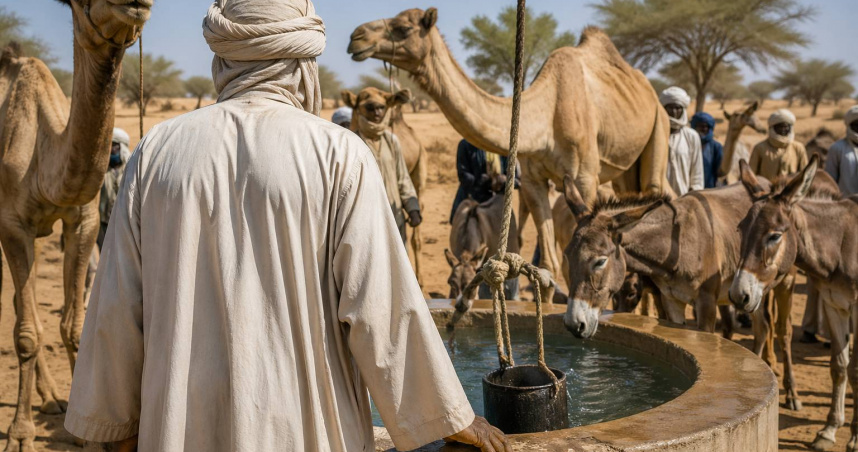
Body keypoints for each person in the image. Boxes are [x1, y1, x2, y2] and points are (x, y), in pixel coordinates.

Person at [64, 1, 508, 451]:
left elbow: (117, 312)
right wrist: (450, 416)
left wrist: (119, 429)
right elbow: (383, 312)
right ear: (303, 64)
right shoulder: (339, 155)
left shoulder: (156, 151)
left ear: (222, 59)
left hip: (179, 432)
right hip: (305, 433)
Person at [352, 94, 422, 245]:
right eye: (370, 108)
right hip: (365, 219)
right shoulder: (352, 141)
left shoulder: (391, 141)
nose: (376, 113)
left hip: (394, 215)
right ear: (360, 111)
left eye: (381, 108)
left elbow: (402, 177)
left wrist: (412, 208)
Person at [659, 87, 704, 195]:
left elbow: (697, 173)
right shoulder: (654, 135)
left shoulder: (691, 136)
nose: (674, 112)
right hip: (657, 200)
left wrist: (694, 194)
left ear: (683, 109)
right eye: (670, 108)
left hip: (683, 198)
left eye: (678, 108)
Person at [749, 109, 808, 181]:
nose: (783, 129)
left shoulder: (798, 148)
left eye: (786, 127)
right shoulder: (760, 148)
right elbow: (751, 175)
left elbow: (805, 174)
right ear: (773, 128)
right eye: (780, 127)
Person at [97, 127, 132, 249]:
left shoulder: (131, 169)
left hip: (126, 223)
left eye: (115, 145)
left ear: (122, 147)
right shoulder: (100, 172)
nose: (112, 149)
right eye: (109, 146)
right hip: (104, 222)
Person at [451, 139, 499, 222]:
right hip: (471, 196)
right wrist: (480, 181)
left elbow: (509, 172)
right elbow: (463, 174)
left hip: (495, 198)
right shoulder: (465, 145)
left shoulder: (498, 146)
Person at [825, 105, 858, 195]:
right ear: (849, 126)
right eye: (856, 124)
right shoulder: (837, 148)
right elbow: (830, 180)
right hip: (846, 203)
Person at [690, 112, 723, 189]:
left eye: (706, 126)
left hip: (710, 188)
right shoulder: (688, 144)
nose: (704, 129)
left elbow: (719, 171)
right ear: (694, 127)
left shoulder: (716, 146)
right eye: (700, 126)